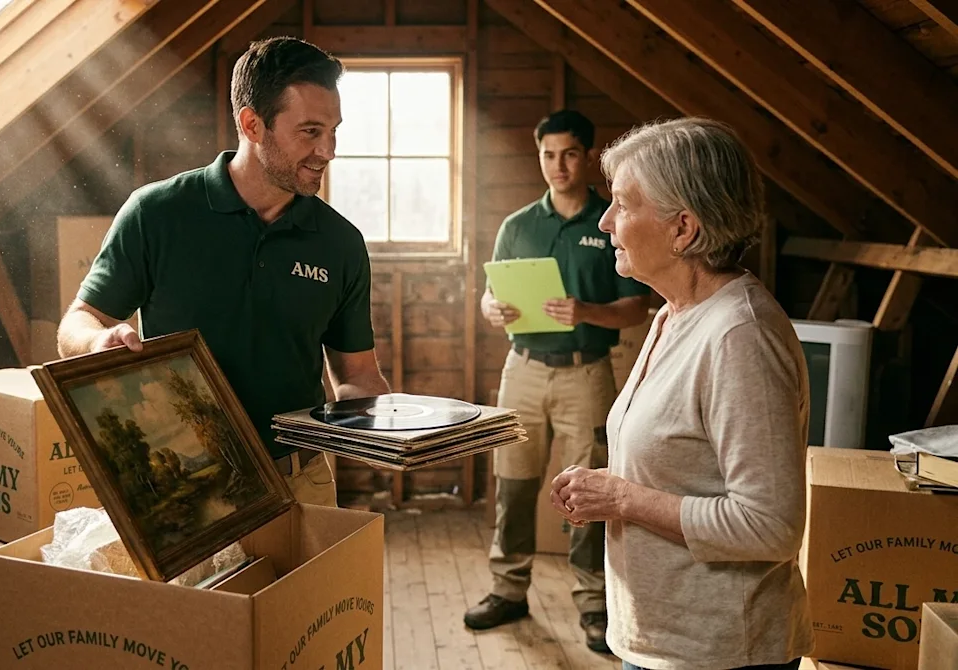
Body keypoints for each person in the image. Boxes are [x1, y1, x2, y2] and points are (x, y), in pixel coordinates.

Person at [56, 37, 390, 507]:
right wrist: (97, 342)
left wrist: (390, 427)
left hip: (299, 479)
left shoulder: (341, 243)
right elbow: (76, 324)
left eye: (334, 130)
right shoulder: (156, 213)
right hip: (179, 484)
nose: (328, 150)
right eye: (310, 131)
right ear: (252, 124)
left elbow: (355, 374)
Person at [550, 116, 814, 669]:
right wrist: (608, 488)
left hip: (719, 654)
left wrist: (622, 500)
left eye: (622, 205)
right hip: (662, 642)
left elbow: (770, 526)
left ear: (683, 230)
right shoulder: (675, 313)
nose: (604, 222)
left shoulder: (740, 336)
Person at [463, 110, 651, 654]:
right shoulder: (517, 224)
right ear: (539, 155)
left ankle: (594, 603)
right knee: (514, 480)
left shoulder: (610, 219)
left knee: (589, 490)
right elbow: (488, 296)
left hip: (585, 371)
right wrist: (490, 309)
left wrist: (586, 310)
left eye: (569, 153)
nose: (558, 165)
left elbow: (636, 308)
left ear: (588, 156)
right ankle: (508, 589)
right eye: (548, 154)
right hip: (521, 368)